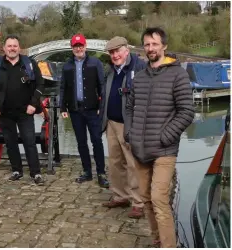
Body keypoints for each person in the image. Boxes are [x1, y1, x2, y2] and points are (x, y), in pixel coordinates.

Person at [124, 27, 195, 248]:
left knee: (159, 200)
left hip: (165, 151)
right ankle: (156, 240)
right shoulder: (140, 76)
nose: (150, 48)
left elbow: (187, 112)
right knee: (145, 198)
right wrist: (130, 133)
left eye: (154, 44)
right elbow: (129, 107)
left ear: (164, 46)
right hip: (140, 150)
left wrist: (166, 136)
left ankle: (168, 245)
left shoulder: (178, 74)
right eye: (147, 44)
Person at [0, 35, 45, 185]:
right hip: (4, 112)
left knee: (29, 141)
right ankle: (16, 170)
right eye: (9, 46)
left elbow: (40, 84)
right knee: (10, 143)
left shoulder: (29, 63)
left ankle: (35, 173)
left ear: (19, 48)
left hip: (25, 111)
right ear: (4, 48)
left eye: (15, 46)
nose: (12, 48)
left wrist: (33, 104)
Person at [100, 36, 146, 218]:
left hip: (130, 123)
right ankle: (120, 196)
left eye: (118, 51)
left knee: (133, 164)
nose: (115, 55)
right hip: (111, 122)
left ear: (126, 50)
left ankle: (138, 202)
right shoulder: (110, 70)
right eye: (112, 52)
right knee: (114, 162)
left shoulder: (139, 67)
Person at [59, 33, 109, 188]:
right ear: (72, 48)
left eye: (81, 45)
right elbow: (63, 87)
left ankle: (101, 173)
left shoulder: (95, 63)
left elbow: (102, 86)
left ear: (85, 46)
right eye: (75, 46)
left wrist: (102, 107)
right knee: (81, 142)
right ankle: (87, 171)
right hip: (75, 110)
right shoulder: (67, 65)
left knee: (96, 141)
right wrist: (62, 107)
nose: (78, 48)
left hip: (93, 109)